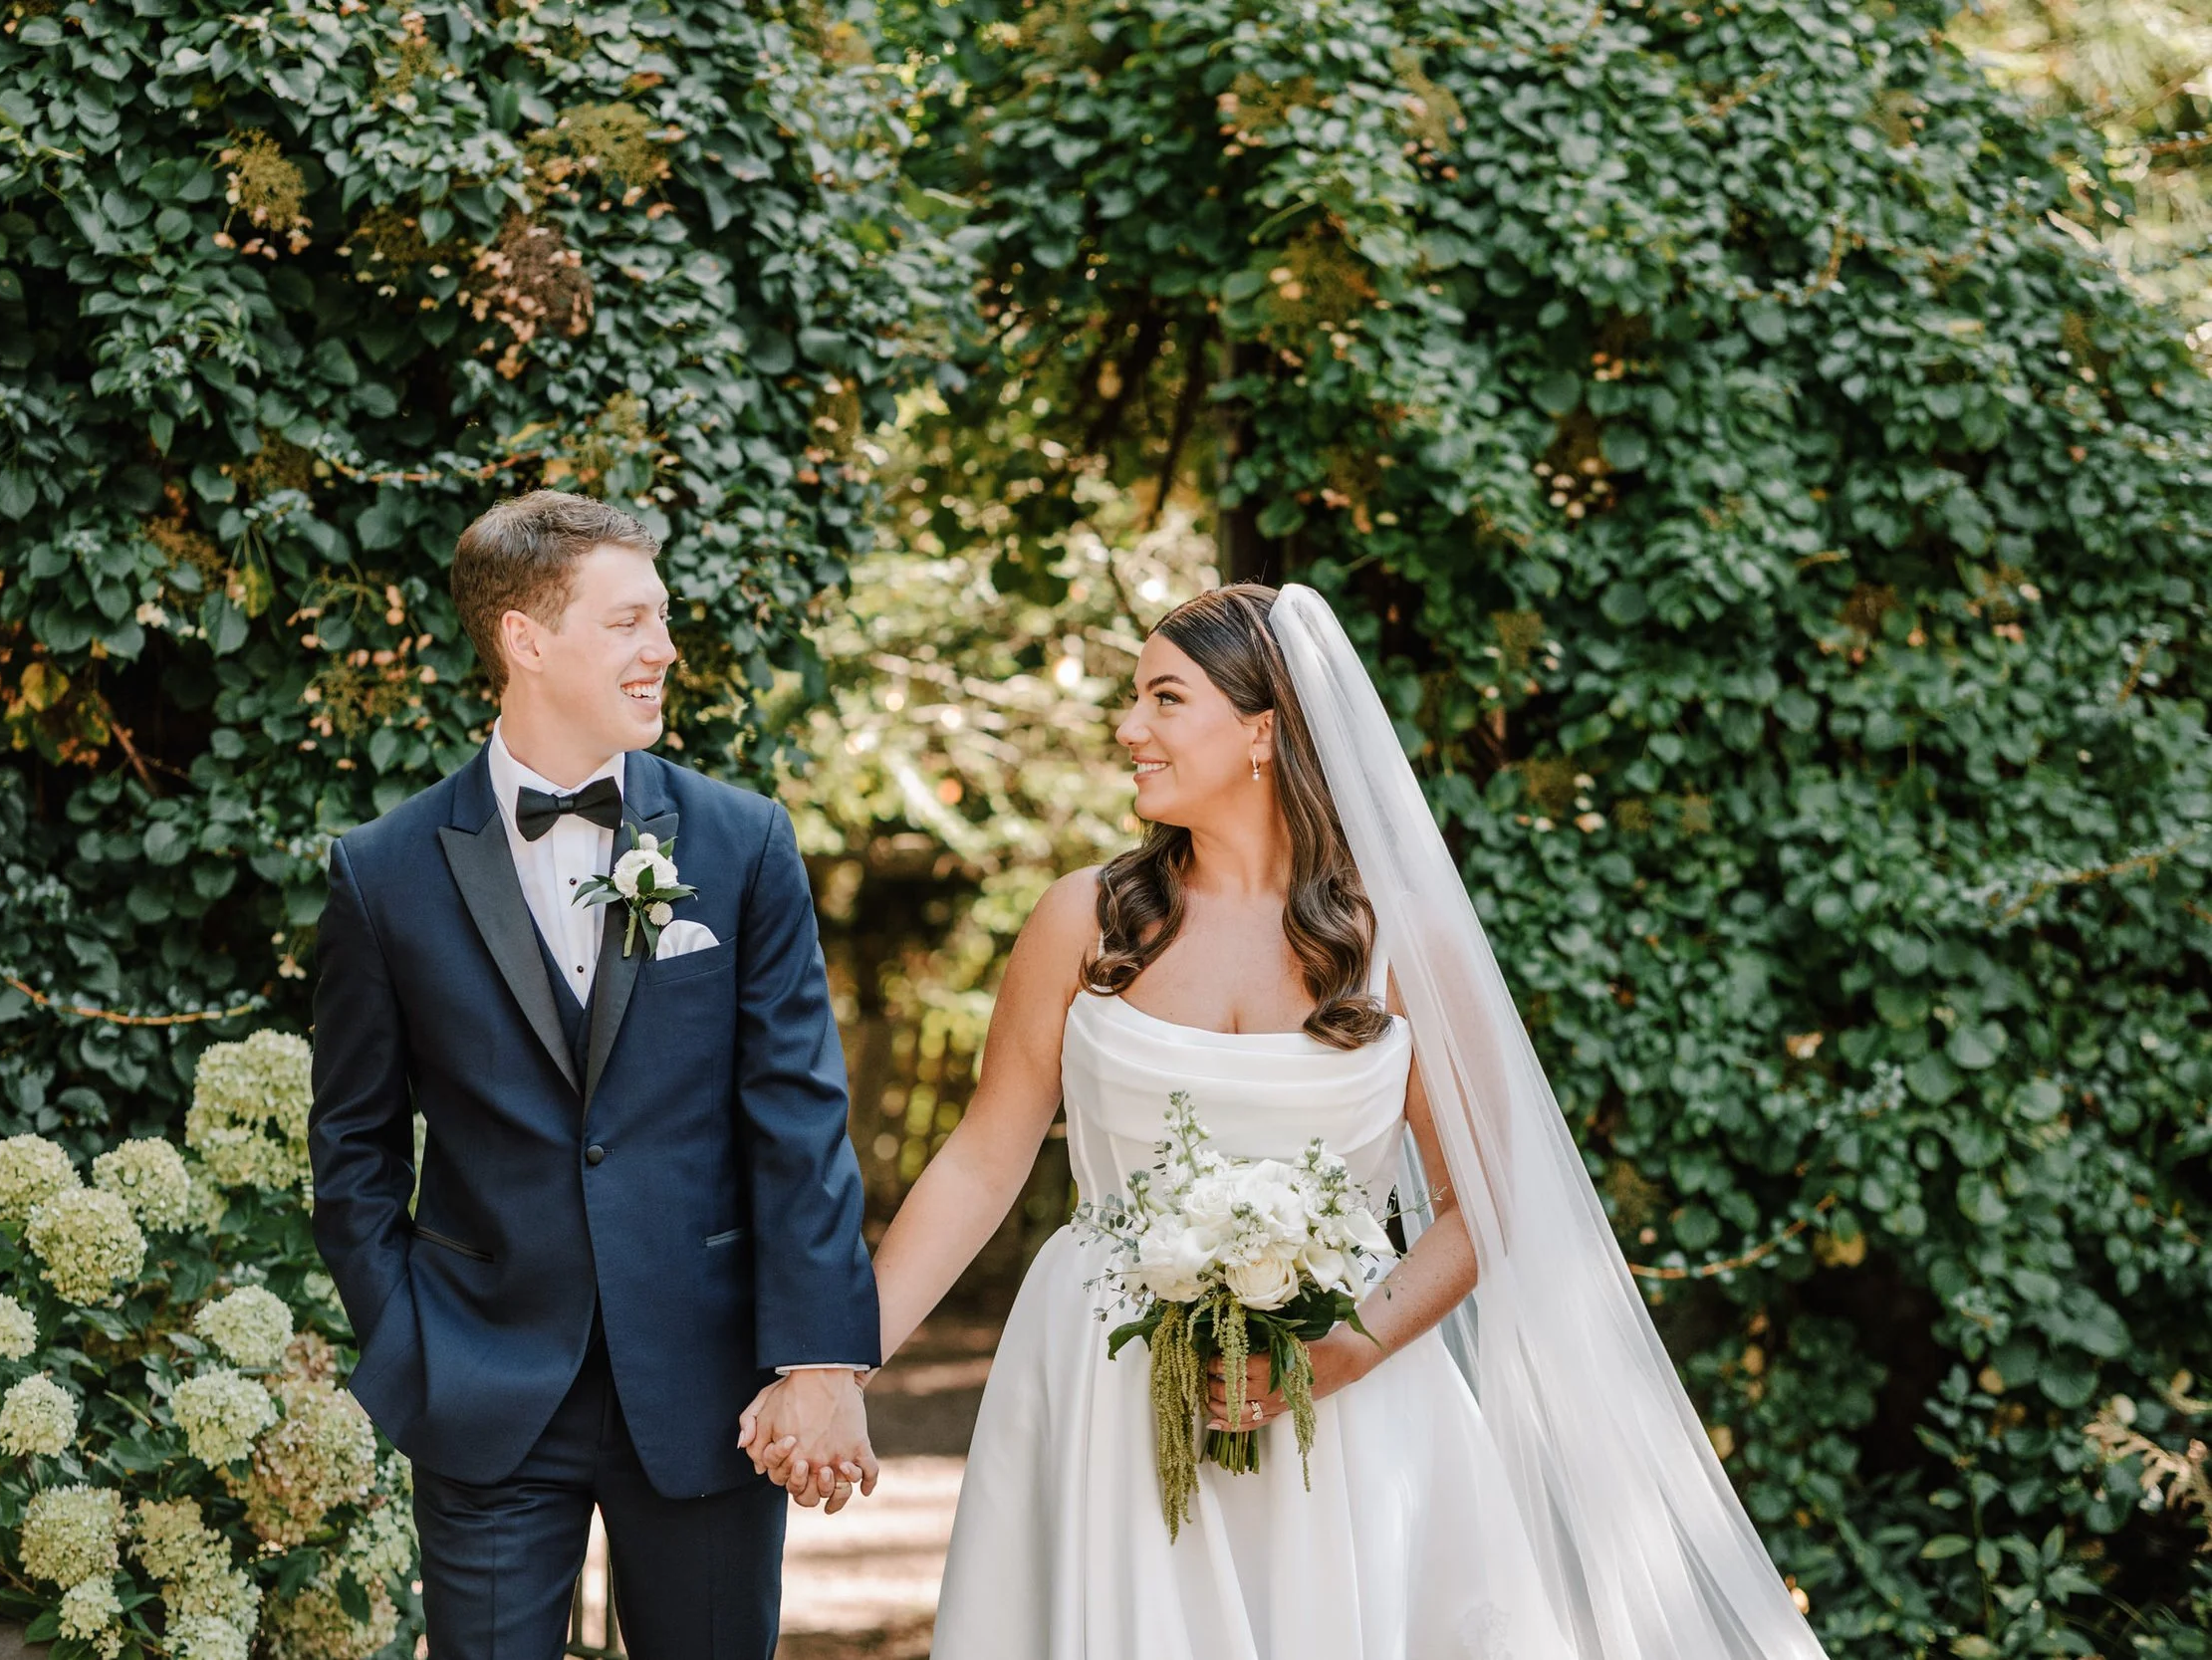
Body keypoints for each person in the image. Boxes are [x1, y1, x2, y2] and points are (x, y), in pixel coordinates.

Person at [759, 583, 1832, 1658]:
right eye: (1133, 698)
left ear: (1261, 727)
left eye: (1164, 697)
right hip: (1104, 1385)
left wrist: (1340, 1355)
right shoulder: (1080, 921)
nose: (1129, 727)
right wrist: (838, 1364)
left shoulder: (1403, 946)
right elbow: (981, 1160)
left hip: (1345, 1408)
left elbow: (1480, 1203)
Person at [307, 491, 880, 1660]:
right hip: (484, 1382)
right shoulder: (382, 873)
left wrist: (816, 1356)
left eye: (659, 618)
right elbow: (352, 1147)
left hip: (711, 1385)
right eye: (629, 622)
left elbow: (799, 1121)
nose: (662, 648)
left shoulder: (740, 843)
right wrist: (410, 1332)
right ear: (525, 638)